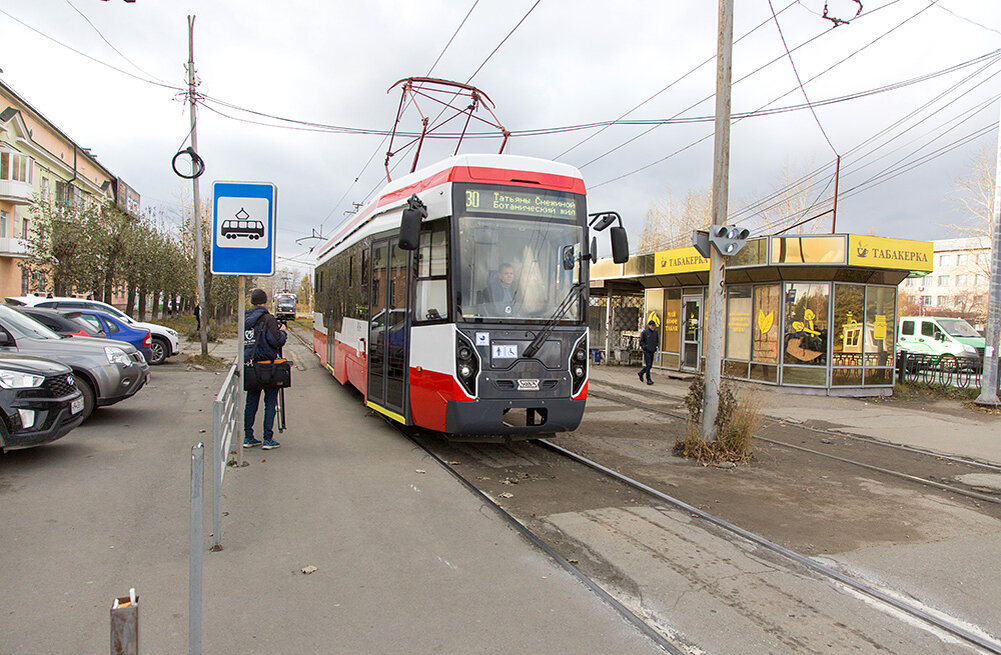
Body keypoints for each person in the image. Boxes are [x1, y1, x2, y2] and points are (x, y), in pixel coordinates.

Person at [244, 288, 287, 450]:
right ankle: (267, 439)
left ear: (252, 301)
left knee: (251, 402)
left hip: (250, 365)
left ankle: (248, 437)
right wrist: (283, 333)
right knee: (270, 402)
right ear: (265, 302)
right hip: (268, 367)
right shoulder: (268, 318)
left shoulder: (245, 318)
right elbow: (276, 341)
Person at [638, 319, 658, 385]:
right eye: (652, 326)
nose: (653, 327)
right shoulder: (645, 332)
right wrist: (645, 347)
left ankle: (641, 373)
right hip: (647, 351)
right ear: (649, 326)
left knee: (650, 366)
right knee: (648, 365)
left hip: (652, 350)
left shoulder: (655, 333)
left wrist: (656, 347)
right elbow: (641, 341)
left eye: (654, 326)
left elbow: (656, 340)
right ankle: (648, 379)